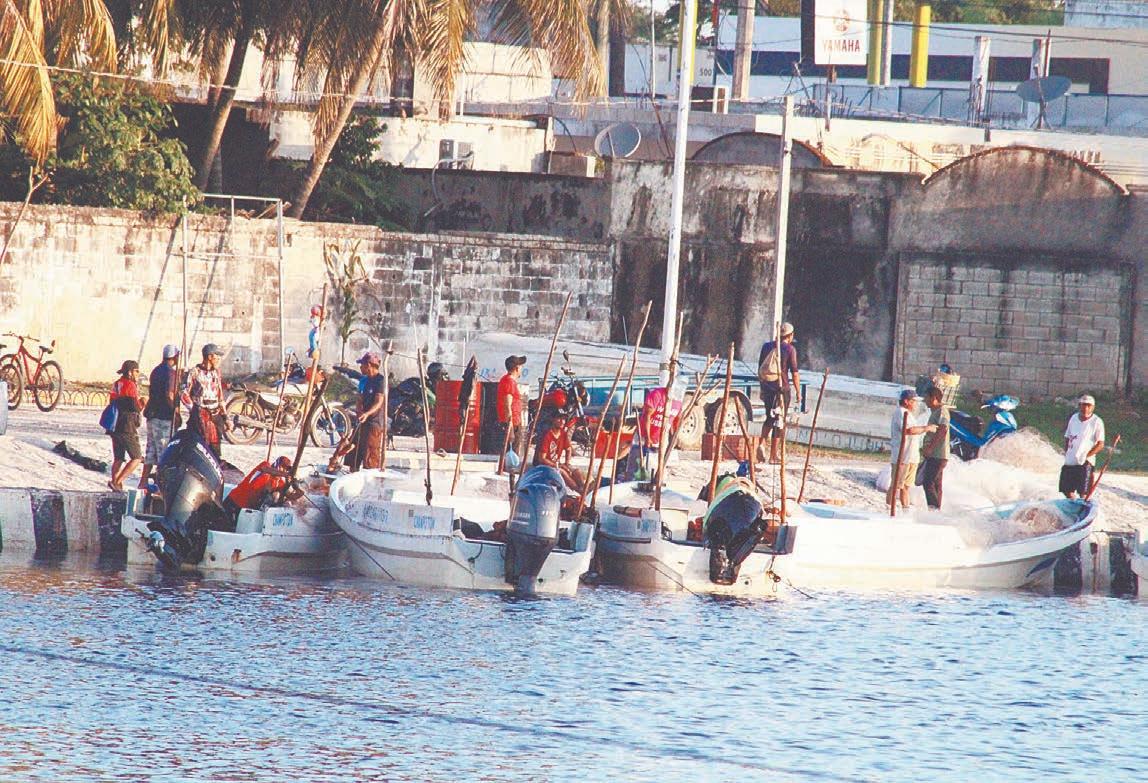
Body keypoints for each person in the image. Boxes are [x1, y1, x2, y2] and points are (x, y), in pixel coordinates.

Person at [622, 373, 682, 482]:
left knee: (656, 467)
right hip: (643, 436)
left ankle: (654, 482)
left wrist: (674, 437)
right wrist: (647, 437)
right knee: (636, 465)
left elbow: (676, 420)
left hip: (661, 438)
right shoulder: (657, 395)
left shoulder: (678, 402)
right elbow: (647, 416)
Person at [757, 322, 800, 464]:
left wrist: (762, 389)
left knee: (769, 418)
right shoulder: (790, 349)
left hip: (767, 387)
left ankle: (762, 443)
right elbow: (794, 372)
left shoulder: (766, 346)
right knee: (779, 420)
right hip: (782, 389)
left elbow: (760, 368)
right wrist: (798, 392)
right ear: (790, 335)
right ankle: (773, 456)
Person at [886, 389, 936, 511]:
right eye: (913, 401)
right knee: (896, 485)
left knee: (906, 487)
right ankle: (888, 508)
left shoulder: (909, 414)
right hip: (902, 456)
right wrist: (927, 428)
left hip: (912, 456)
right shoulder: (900, 412)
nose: (915, 404)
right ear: (906, 401)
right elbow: (909, 430)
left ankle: (905, 509)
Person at [139, 344, 180, 489]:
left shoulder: (156, 370)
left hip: (152, 415)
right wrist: (175, 413)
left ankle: (143, 482)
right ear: (174, 357)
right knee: (164, 453)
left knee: (150, 451)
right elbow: (169, 395)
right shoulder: (170, 373)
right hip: (163, 417)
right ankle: (162, 486)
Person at [108, 360, 146, 491]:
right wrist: (143, 402)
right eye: (136, 371)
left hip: (115, 425)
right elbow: (134, 407)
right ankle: (117, 481)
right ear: (130, 372)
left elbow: (113, 401)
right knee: (137, 457)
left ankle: (116, 484)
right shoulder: (130, 385)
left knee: (118, 458)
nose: (138, 374)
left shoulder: (117, 384)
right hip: (127, 425)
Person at [1060, 394, 1105, 499]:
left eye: (1088, 406)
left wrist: (1087, 456)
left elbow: (1100, 444)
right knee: (1066, 489)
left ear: (1093, 407)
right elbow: (1067, 437)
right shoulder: (1074, 418)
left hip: (1085, 462)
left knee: (1083, 491)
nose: (1085, 408)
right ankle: (1072, 503)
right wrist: (1067, 452)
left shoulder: (1096, 421)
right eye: (1083, 405)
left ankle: (1083, 502)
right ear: (1079, 406)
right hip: (1071, 459)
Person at [223, 456, 301, 517]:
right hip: (233, 501)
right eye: (283, 467)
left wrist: (298, 489)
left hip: (245, 510)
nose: (284, 470)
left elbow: (291, 496)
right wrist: (286, 474)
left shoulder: (279, 483)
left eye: (286, 470)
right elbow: (266, 469)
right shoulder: (265, 465)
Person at [187, 343, 227, 458]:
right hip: (199, 416)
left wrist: (225, 417)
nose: (219, 359)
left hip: (215, 416)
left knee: (215, 450)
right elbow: (184, 393)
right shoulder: (195, 372)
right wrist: (194, 409)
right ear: (209, 357)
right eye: (217, 356)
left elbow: (220, 395)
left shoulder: (216, 373)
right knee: (198, 447)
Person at [353, 351, 386, 470]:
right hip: (362, 421)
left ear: (369, 365)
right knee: (354, 451)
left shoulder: (380, 381)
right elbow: (359, 398)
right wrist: (359, 411)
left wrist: (367, 414)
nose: (360, 368)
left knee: (371, 454)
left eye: (362, 365)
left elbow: (379, 402)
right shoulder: (364, 380)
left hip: (374, 422)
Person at [534, 413, 584, 492]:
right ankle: (578, 490)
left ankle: (583, 488)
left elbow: (568, 449)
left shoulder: (563, 434)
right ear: (553, 420)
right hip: (544, 466)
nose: (562, 421)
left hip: (556, 464)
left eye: (563, 419)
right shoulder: (547, 435)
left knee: (575, 470)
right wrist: (558, 465)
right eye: (559, 419)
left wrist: (567, 463)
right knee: (562, 472)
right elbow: (542, 459)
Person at [919, 386, 950, 510]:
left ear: (934, 398)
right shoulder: (935, 411)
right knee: (936, 484)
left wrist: (931, 448)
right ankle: (936, 510)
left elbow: (942, 429)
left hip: (938, 454)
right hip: (934, 454)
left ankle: (934, 510)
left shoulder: (942, 411)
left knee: (928, 482)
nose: (925, 400)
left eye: (927, 397)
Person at [497, 355, 526, 469]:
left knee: (511, 453)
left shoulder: (507, 380)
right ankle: (509, 473)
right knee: (512, 454)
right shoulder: (509, 382)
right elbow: (507, 405)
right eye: (521, 366)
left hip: (514, 422)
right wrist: (510, 429)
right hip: (511, 423)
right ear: (517, 368)